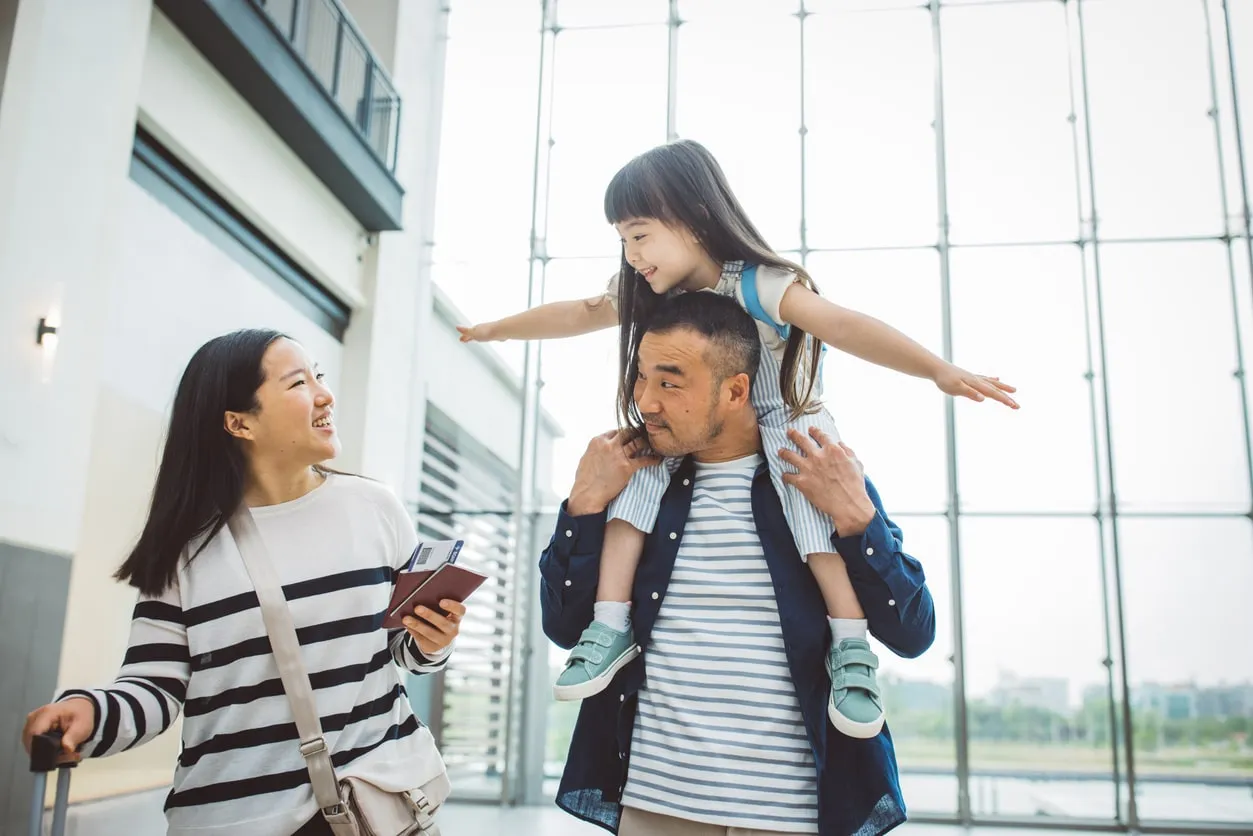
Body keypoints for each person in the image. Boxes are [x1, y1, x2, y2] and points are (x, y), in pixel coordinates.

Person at [462, 139, 1011, 737]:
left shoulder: (758, 285)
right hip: (691, 440)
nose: (630, 252)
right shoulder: (651, 296)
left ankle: (851, 648)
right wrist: (499, 328)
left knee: (812, 514)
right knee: (637, 474)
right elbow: (578, 312)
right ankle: (611, 623)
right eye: (622, 238)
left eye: (640, 234)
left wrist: (936, 369)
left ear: (694, 219)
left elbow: (846, 325)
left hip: (789, 419)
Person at [22, 329, 462, 836]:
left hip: (378, 808)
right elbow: (155, 687)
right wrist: (91, 712)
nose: (325, 394)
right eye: (298, 383)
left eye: (318, 375)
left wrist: (432, 641)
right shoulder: (186, 549)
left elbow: (400, 651)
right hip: (237, 819)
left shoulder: (375, 509)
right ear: (238, 422)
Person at [540, 293, 935, 836]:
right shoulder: (632, 483)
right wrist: (582, 505)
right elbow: (563, 629)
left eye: (670, 382)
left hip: (792, 816)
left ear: (735, 390)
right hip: (656, 805)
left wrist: (857, 518)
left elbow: (913, 633)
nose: (645, 402)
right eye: (641, 378)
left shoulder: (818, 481)